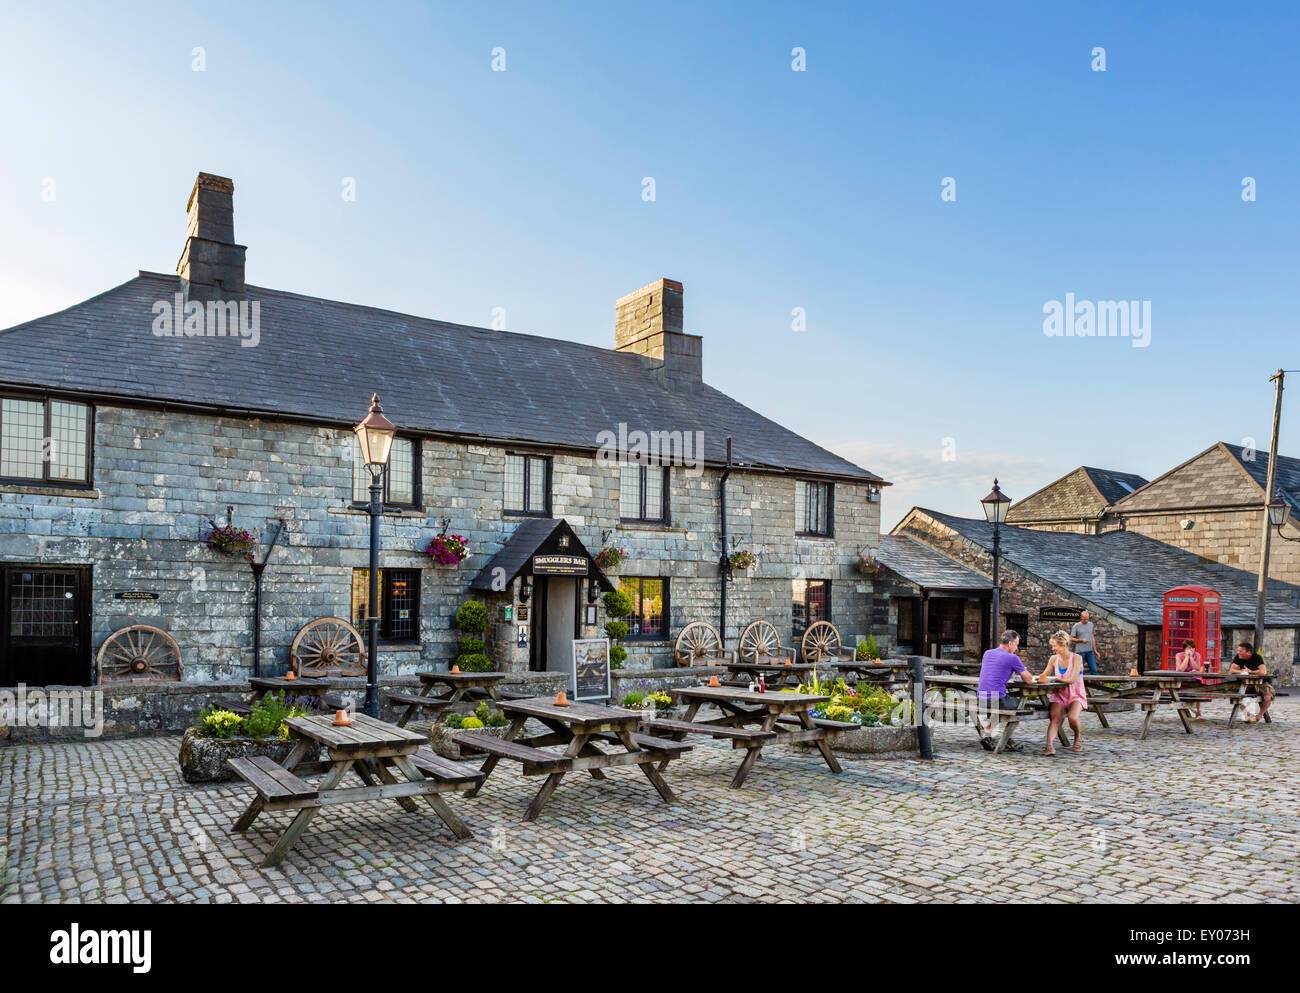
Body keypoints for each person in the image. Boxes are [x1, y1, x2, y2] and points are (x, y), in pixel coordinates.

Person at [977, 630, 1035, 752]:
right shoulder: (1012, 658)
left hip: (981, 698)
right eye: (1016, 645)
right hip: (996, 698)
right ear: (1010, 643)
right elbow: (1029, 680)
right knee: (1020, 707)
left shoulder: (987, 653)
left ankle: (987, 735)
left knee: (1000, 704)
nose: (1017, 648)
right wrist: (1023, 669)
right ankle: (1007, 739)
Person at [1040, 631, 1087, 755]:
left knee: (1072, 717)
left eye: (1055, 646)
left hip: (1076, 695)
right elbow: (1045, 675)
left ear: (1064, 645)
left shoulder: (1077, 658)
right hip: (1059, 695)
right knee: (1055, 718)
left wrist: (1057, 679)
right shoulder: (1053, 659)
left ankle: (1078, 736)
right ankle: (1049, 746)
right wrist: (1040, 678)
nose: (1053, 648)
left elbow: (1071, 680)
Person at [1229, 642, 1274, 722]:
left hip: (1261, 682)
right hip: (1245, 683)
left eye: (1241, 651)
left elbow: (1263, 671)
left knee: (1267, 697)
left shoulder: (1257, 657)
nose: (1238, 652)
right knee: (1236, 695)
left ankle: (1259, 715)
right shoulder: (1238, 657)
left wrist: (1250, 671)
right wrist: (1242, 671)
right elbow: (1232, 670)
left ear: (1248, 652)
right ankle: (1248, 714)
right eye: (1238, 651)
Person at [1174, 639, 1206, 719]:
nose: (1191, 650)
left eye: (1193, 648)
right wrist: (1187, 657)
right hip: (1182, 678)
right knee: (1181, 693)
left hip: (1193, 677)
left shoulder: (1197, 655)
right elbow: (1181, 669)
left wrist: (1191, 657)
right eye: (1189, 648)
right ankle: (1190, 709)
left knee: (1199, 685)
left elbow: (1196, 667)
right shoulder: (1179, 655)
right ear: (1184, 649)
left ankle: (1198, 711)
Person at [1069, 610, 1099, 675]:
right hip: (1080, 651)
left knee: (1094, 669)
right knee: (1079, 670)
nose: (1086, 620)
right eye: (1085, 619)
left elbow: (1092, 637)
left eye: (1087, 619)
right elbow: (1071, 638)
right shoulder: (1076, 626)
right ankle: (1079, 684)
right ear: (1081, 617)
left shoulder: (1091, 624)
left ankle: (1096, 684)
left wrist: (1095, 651)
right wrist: (1081, 640)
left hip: (1090, 651)